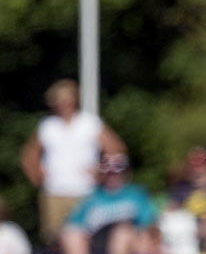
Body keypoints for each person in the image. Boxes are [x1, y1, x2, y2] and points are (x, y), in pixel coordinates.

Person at [20, 79, 126, 239]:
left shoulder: (89, 123)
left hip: (85, 192)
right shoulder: (48, 126)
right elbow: (29, 155)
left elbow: (116, 149)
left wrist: (102, 172)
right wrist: (38, 178)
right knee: (55, 238)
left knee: (86, 238)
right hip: (54, 192)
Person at [60, 153, 156, 254]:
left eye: (117, 172)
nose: (113, 176)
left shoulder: (136, 194)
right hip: (97, 248)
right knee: (71, 234)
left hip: (129, 246)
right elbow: (74, 225)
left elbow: (147, 225)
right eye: (108, 173)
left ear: (125, 173)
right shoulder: (92, 199)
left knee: (123, 233)